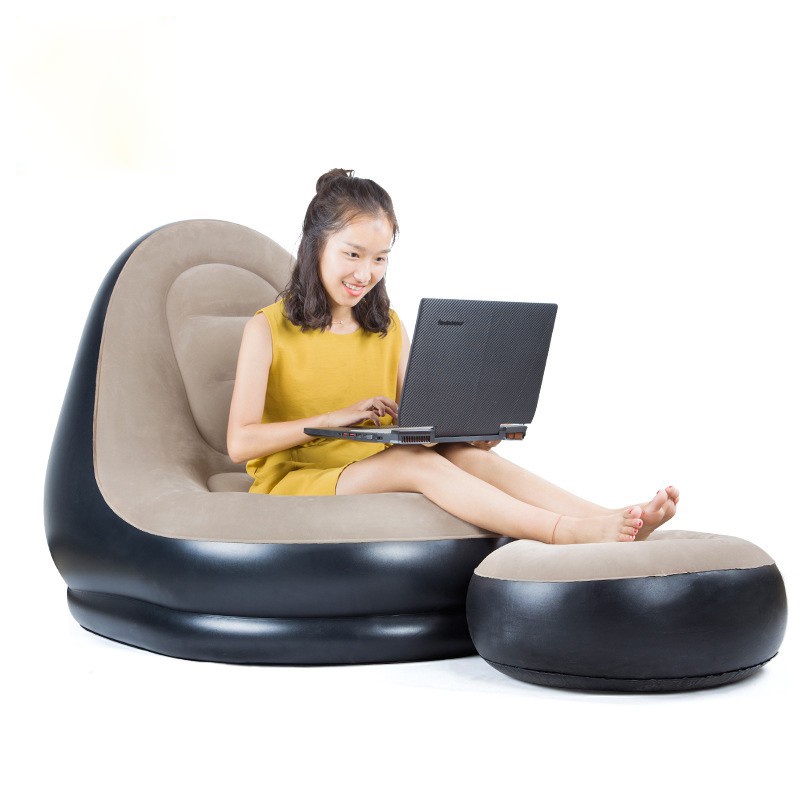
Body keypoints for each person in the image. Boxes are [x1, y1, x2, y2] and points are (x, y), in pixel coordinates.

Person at [227, 168, 679, 544]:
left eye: (380, 258)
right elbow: (239, 443)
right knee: (416, 464)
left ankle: (608, 516)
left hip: (370, 462)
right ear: (315, 246)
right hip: (299, 475)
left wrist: (462, 431)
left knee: (467, 457)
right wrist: (331, 419)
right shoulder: (266, 329)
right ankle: (565, 532)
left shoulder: (387, 326)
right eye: (353, 254)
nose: (365, 273)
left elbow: (416, 423)